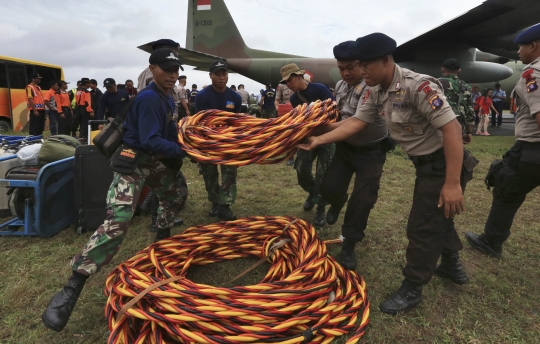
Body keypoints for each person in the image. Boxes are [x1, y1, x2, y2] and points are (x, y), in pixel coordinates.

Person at [298, 33, 478, 315]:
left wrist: (452, 183)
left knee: (420, 227)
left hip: (444, 165)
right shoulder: (375, 89)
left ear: (385, 60)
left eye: (364, 65)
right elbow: (357, 122)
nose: (360, 72)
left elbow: (452, 129)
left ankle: (412, 287)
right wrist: (320, 138)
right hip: (425, 165)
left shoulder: (418, 86)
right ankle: (452, 263)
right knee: (436, 216)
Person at [42, 47, 186, 332]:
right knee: (117, 223)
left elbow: (167, 135)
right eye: (166, 69)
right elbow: (152, 140)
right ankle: (71, 289)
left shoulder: (168, 98)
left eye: (175, 70)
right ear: (152, 69)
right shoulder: (147, 99)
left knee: (174, 194)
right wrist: (185, 148)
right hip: (134, 163)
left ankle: (162, 241)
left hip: (154, 163)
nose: (172, 75)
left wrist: (183, 141)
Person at [465, 23, 540, 258]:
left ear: (534, 45)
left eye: (521, 46)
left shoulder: (532, 74)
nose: (518, 52)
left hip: (532, 151)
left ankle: (491, 241)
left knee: (506, 191)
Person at [321, 41, 391, 270]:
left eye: (350, 67)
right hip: (344, 149)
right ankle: (337, 201)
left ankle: (349, 243)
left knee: (363, 200)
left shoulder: (372, 87)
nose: (345, 73)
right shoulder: (341, 85)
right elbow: (336, 112)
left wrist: (318, 132)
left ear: (362, 65)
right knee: (330, 188)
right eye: (341, 68)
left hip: (371, 152)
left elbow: (355, 122)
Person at [280, 63, 335, 227]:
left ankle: (320, 208)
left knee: (323, 174)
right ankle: (313, 193)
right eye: (285, 83)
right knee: (301, 169)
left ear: (298, 76)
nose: (288, 85)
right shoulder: (294, 98)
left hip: (326, 137)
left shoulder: (320, 89)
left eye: (289, 81)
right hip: (307, 137)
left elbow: (333, 111)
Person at [195, 59, 242, 221]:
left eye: (224, 74)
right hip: (208, 142)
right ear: (210, 76)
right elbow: (199, 122)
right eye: (217, 74)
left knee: (229, 173)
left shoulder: (235, 97)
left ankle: (225, 205)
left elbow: (236, 121)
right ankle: (215, 201)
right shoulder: (202, 97)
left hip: (228, 142)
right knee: (210, 174)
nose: (221, 77)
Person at [438, 58, 475, 144]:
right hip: (458, 124)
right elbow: (470, 111)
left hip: (438, 123)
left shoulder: (435, 84)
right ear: (459, 71)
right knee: (455, 150)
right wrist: (469, 132)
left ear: (442, 70)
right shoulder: (466, 87)